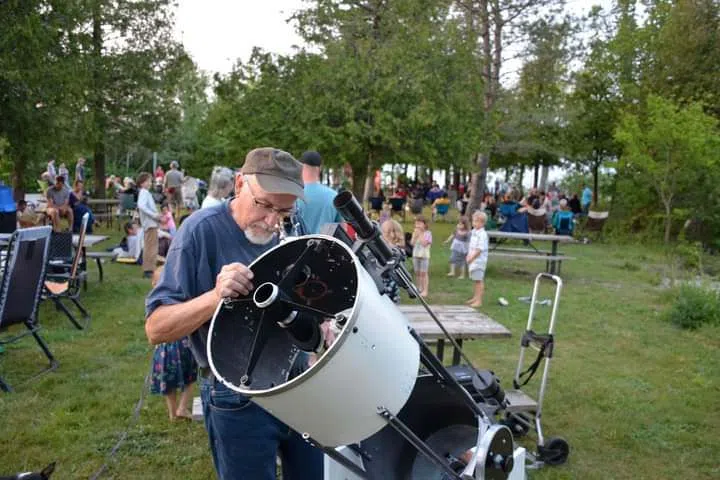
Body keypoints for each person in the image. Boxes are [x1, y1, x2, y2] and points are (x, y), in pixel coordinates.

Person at [145, 147, 323, 480]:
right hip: (238, 396)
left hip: (299, 382)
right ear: (240, 184)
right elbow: (156, 328)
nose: (272, 221)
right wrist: (215, 296)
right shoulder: (200, 232)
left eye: (283, 211)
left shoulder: (291, 226)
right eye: (264, 205)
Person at [149, 266, 197, 421]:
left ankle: (173, 412)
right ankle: (181, 408)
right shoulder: (182, 297)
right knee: (190, 377)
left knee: (168, 381)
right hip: (185, 345)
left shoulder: (155, 302)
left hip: (165, 350)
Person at [295, 151, 341, 234]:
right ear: (320, 169)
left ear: (301, 167)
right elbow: (342, 229)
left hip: (298, 246)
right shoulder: (334, 196)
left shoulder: (293, 195)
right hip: (325, 245)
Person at [137, 172, 162, 279]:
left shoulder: (145, 193)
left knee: (150, 246)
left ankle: (149, 268)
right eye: (148, 181)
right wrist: (154, 215)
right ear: (142, 183)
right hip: (150, 223)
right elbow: (141, 206)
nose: (150, 183)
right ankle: (149, 269)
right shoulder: (144, 193)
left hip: (151, 223)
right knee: (151, 247)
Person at [466, 210, 489, 308]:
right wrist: (469, 255)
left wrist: (472, 257)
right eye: (473, 221)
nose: (474, 223)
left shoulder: (482, 234)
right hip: (473, 260)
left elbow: (479, 249)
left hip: (479, 261)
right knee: (475, 280)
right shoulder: (474, 232)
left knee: (479, 281)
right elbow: (471, 245)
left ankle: (479, 300)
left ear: (482, 223)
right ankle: (475, 297)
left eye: (476, 221)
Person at [380, 219, 405, 304]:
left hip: (391, 286)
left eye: (384, 232)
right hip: (381, 283)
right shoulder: (382, 248)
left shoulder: (397, 250)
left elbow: (399, 256)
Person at [411, 216, 432, 297]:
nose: (417, 225)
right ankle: (419, 287)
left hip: (424, 256)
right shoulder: (415, 233)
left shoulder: (428, 233)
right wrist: (415, 236)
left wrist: (419, 234)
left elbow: (424, 244)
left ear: (425, 225)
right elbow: (412, 243)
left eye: (419, 223)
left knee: (424, 273)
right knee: (417, 273)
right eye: (416, 223)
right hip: (416, 255)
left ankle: (425, 290)